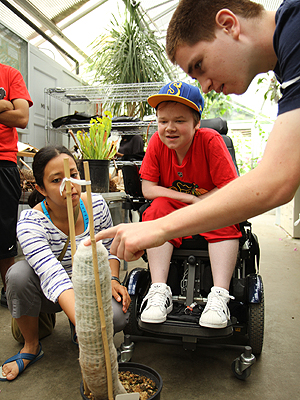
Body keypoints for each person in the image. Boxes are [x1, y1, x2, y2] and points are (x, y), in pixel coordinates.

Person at [85, 0, 300, 264]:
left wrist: (159, 228)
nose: (206, 86)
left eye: (199, 66)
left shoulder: (296, 33)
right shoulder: (288, 60)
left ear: (228, 25)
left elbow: (276, 181)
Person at [0, 145, 131, 381]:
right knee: (18, 274)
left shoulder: (96, 205)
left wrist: (112, 278)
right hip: (49, 293)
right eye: (56, 179)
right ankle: (31, 346)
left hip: (90, 285)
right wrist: (87, 325)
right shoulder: (30, 223)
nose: (69, 185)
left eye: (74, 174)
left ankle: (76, 330)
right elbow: (52, 276)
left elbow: (112, 248)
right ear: (40, 188)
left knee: (116, 317)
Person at [137, 81, 241, 328]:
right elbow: (148, 189)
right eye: (163, 121)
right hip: (179, 207)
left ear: (196, 123)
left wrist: (200, 204)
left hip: (209, 207)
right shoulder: (156, 143)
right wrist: (191, 200)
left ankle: (219, 295)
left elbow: (229, 187)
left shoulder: (210, 141)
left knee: (223, 214)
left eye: (180, 121)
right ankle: (159, 289)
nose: (169, 128)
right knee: (157, 210)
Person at [0, 63, 33, 307]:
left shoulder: (10, 74)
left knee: (4, 236)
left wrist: (12, 108)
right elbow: (13, 112)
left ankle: (9, 294)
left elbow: (21, 117)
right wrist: (4, 105)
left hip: (4, 162)